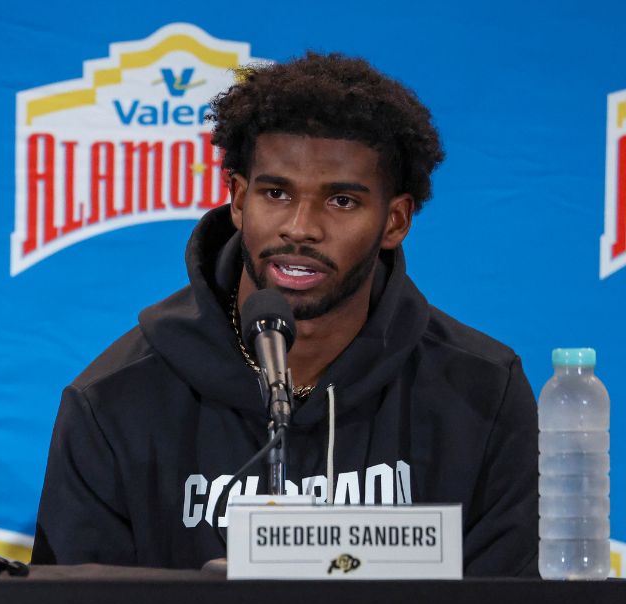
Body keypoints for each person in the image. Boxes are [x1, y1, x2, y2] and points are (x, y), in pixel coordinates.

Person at [32, 53, 537, 576]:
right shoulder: (115, 400)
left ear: (395, 220)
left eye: (341, 201)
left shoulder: (480, 392)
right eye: (276, 193)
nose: (300, 227)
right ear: (237, 197)